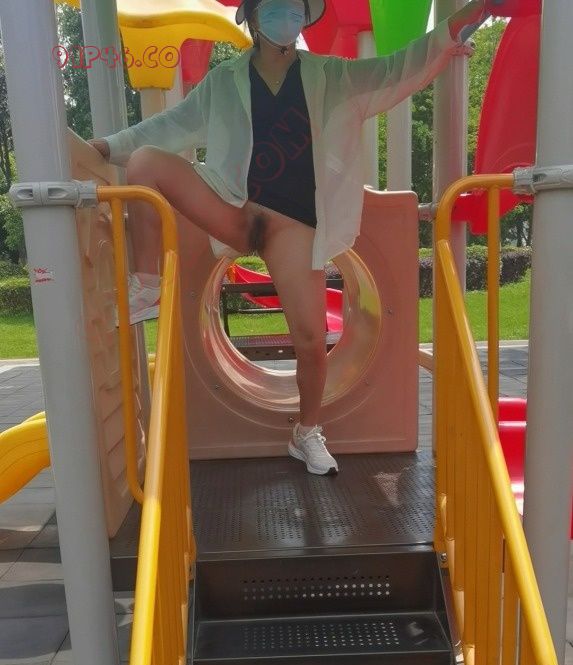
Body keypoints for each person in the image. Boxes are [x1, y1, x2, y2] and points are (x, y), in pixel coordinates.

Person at [90, 0, 487, 476]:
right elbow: (169, 125)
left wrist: (460, 24)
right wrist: (108, 146)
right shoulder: (224, 81)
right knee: (144, 163)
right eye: (277, 6)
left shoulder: (332, 76)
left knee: (311, 340)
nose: (288, 16)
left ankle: (307, 432)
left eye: (296, 8)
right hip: (233, 206)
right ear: (254, 17)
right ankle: (147, 285)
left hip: (295, 223)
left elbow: (395, 69)